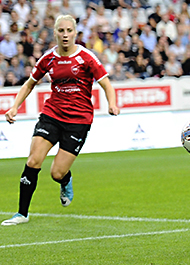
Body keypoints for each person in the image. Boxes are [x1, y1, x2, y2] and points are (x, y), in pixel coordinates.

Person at [1, 15, 120, 226]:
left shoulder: (86, 57)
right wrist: (14, 106)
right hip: (52, 115)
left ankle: (65, 180)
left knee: (56, 173)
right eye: (61, 31)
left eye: (69, 31)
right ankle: (22, 213)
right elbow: (29, 84)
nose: (65, 35)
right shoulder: (48, 58)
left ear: (75, 33)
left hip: (79, 120)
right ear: (55, 33)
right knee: (33, 161)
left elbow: (106, 83)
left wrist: (112, 103)